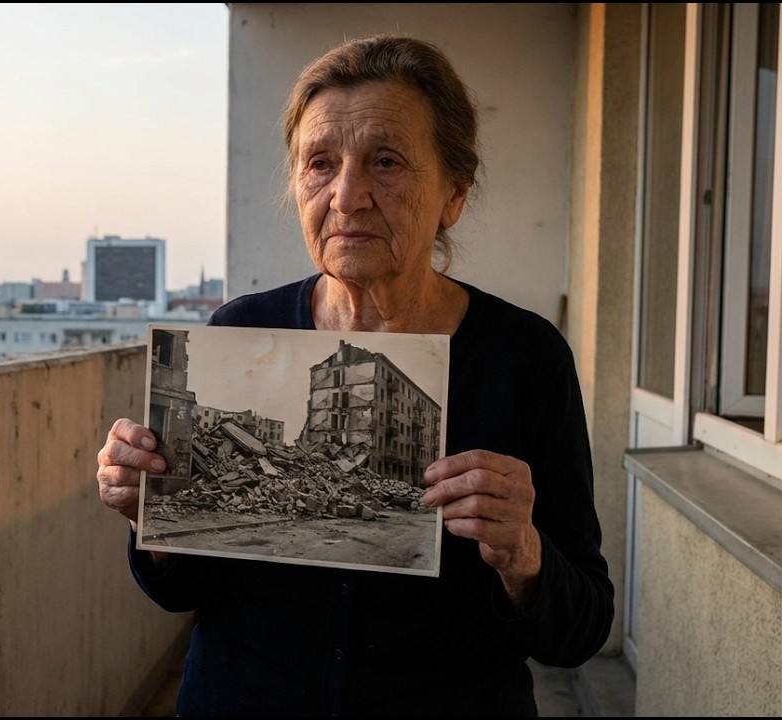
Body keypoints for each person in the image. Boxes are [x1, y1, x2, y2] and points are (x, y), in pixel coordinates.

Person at [95, 34, 614, 716]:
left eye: (387, 161)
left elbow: (581, 628)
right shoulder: (238, 335)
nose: (347, 195)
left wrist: (524, 553)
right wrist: (149, 518)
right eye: (320, 164)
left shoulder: (525, 357)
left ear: (454, 195)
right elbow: (183, 591)